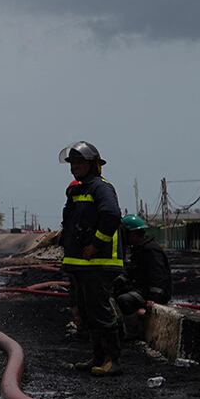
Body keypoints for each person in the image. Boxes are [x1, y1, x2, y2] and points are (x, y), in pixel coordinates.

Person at [59, 141, 125, 375]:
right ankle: (97, 357)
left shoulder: (101, 188)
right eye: (72, 163)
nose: (74, 167)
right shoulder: (78, 191)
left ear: (93, 164)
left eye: (79, 163)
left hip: (99, 263)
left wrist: (95, 245)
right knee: (88, 314)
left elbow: (112, 215)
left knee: (100, 312)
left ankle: (112, 360)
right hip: (81, 264)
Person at [113, 213, 171, 317]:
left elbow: (158, 277)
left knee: (124, 300)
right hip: (142, 289)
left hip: (151, 294)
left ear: (134, 234)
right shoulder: (139, 249)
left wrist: (153, 299)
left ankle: (134, 325)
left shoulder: (150, 250)